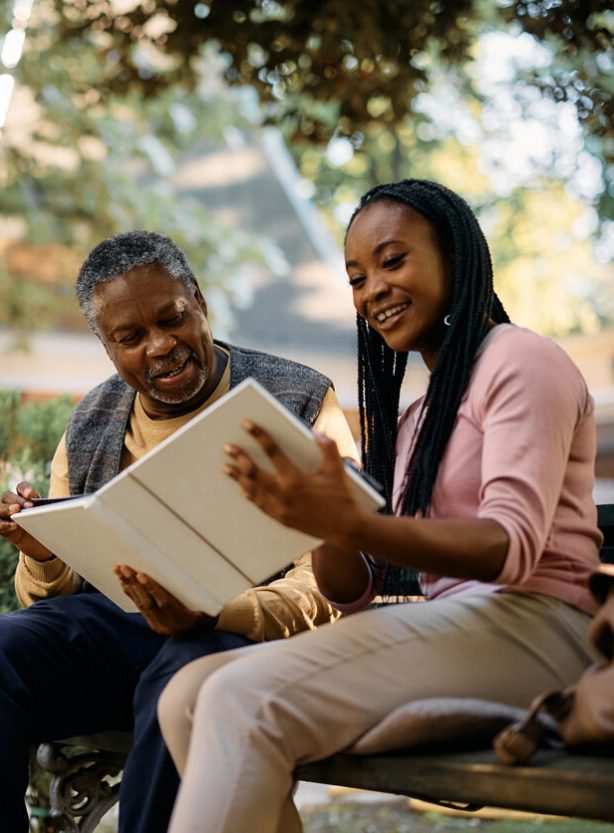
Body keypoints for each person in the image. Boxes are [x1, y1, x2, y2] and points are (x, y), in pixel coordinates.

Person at [157, 179, 604, 833]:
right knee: (186, 694)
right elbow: (353, 591)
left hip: (543, 627)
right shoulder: (419, 414)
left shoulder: (520, 359)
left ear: (455, 254)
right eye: (358, 278)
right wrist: (319, 525)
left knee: (237, 696)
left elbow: (512, 546)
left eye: (392, 261)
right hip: (463, 626)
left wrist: (353, 521)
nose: (372, 291)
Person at [0, 230, 358, 833]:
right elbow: (47, 607)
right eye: (130, 337)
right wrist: (46, 554)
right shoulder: (91, 417)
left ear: (198, 300)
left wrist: (219, 613)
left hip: (239, 641)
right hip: (122, 639)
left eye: (172, 319)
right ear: (106, 346)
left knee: (183, 680)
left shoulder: (296, 399)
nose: (161, 346)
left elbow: (332, 588)